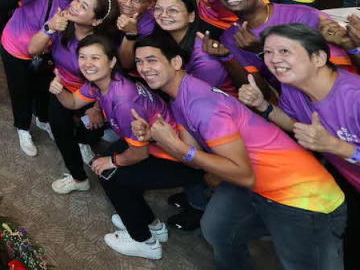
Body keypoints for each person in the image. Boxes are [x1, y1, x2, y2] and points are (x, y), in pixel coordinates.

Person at [132, 35, 347, 270]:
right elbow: (190, 154)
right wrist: (157, 138)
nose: (144, 68)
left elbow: (236, 172)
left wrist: (181, 150)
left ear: (175, 63)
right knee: (218, 230)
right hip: (253, 185)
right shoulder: (180, 97)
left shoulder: (202, 104)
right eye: (139, 62)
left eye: (151, 60)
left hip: (303, 197)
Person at [51, 35, 204, 261]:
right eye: (82, 57)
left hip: (180, 159)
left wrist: (111, 162)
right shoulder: (100, 83)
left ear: (111, 62)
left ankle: (144, 241)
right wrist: (58, 90)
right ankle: (153, 225)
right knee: (107, 161)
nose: (87, 63)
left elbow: (139, 153)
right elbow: (72, 103)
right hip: (156, 144)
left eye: (95, 57)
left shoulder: (123, 101)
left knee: (109, 173)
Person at [239, 23, 360, 266]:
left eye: (284, 51)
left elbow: (330, 143)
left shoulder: (354, 98)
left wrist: (335, 146)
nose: (274, 60)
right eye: (268, 52)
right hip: (348, 181)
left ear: (318, 58)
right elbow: (295, 123)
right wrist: (263, 106)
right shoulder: (292, 86)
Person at [0, 0, 93, 156]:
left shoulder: (81, 0)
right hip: (15, 47)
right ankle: (22, 127)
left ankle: (42, 120)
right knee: (20, 91)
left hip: (47, 53)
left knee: (43, 89)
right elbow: (3, 2)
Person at [28, 0, 118, 194]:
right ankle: (79, 178)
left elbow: (105, 80)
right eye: (78, 0)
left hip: (91, 94)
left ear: (96, 21)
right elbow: (32, 49)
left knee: (91, 127)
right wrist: (49, 28)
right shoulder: (62, 23)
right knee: (62, 133)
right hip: (60, 87)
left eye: (84, 6)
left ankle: (84, 142)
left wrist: (95, 107)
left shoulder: (101, 45)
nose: (74, 5)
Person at [211, 0, 354, 89]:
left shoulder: (304, 16)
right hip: (291, 105)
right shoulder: (230, 38)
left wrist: (263, 51)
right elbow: (261, 91)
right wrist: (227, 58)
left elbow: (338, 74)